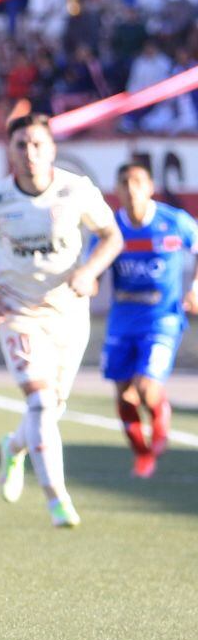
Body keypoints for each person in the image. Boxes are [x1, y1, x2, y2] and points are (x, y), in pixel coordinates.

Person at [0, 113, 122, 529]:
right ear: (9, 151)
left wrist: (90, 272)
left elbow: (112, 237)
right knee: (39, 401)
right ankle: (57, 500)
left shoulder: (76, 189)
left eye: (37, 144)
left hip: (68, 311)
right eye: (21, 145)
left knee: (52, 407)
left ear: (52, 148)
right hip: (17, 312)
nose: (30, 153)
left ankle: (13, 447)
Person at [100, 162, 198, 478]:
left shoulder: (174, 222)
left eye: (138, 181)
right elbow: (94, 267)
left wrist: (195, 288)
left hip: (162, 320)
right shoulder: (110, 229)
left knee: (145, 388)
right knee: (124, 397)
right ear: (116, 189)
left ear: (150, 186)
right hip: (122, 322)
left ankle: (159, 418)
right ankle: (142, 453)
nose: (131, 188)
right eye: (124, 182)